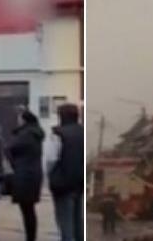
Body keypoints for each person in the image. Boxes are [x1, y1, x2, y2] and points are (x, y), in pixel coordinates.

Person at [46, 103, 84, 241]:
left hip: (62, 185)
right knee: (78, 224)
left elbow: (51, 160)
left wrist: (50, 176)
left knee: (65, 225)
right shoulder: (83, 132)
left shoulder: (58, 134)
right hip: (79, 184)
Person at [8, 110, 45, 241]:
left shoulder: (25, 134)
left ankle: (30, 237)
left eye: (19, 118)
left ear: (24, 120)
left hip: (24, 175)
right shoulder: (35, 134)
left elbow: (10, 149)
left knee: (27, 210)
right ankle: (31, 237)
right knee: (29, 209)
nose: (18, 121)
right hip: (34, 174)